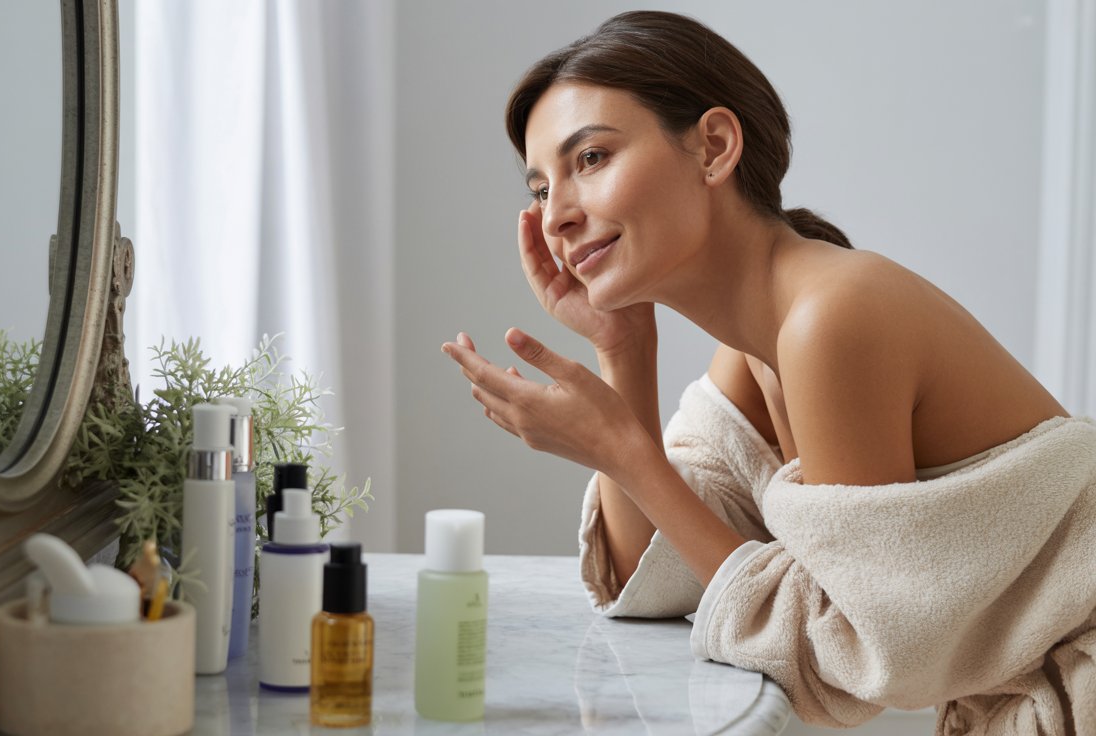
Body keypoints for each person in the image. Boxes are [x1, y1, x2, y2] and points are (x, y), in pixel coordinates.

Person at [440, 11, 1096, 734]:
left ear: (714, 148)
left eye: (590, 159)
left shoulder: (832, 318)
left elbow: (864, 656)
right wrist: (624, 350)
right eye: (540, 188)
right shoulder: (759, 347)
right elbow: (655, 578)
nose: (557, 215)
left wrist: (623, 451)